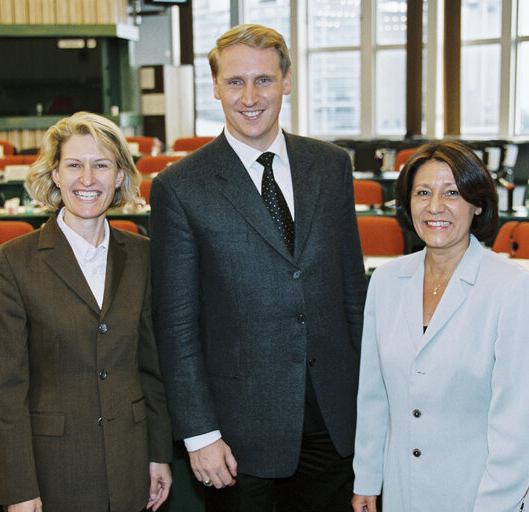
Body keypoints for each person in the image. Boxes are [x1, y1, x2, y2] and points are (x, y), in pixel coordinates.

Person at [150, 24, 367, 512]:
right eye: (235, 82)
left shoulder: (332, 166)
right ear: (215, 86)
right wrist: (199, 433)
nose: (250, 97)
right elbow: (177, 325)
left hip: (335, 426)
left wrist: (371, 408)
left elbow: (353, 294)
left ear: (287, 80)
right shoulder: (181, 187)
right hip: (237, 441)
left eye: (264, 80)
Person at [0, 111, 173, 512]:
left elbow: (152, 367)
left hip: (131, 461)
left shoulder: (142, 254)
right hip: (55, 469)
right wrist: (18, 489)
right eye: (74, 165)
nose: (87, 179)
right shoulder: (13, 262)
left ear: (120, 176)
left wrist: (159, 452)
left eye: (101, 165)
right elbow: (6, 390)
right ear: (55, 174)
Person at [352, 140, 529, 512]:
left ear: (477, 204)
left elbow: (516, 427)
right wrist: (367, 478)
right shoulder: (387, 280)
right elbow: (374, 394)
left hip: (478, 496)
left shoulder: (512, 288)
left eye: (452, 193)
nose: (435, 206)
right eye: (423, 192)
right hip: (401, 491)